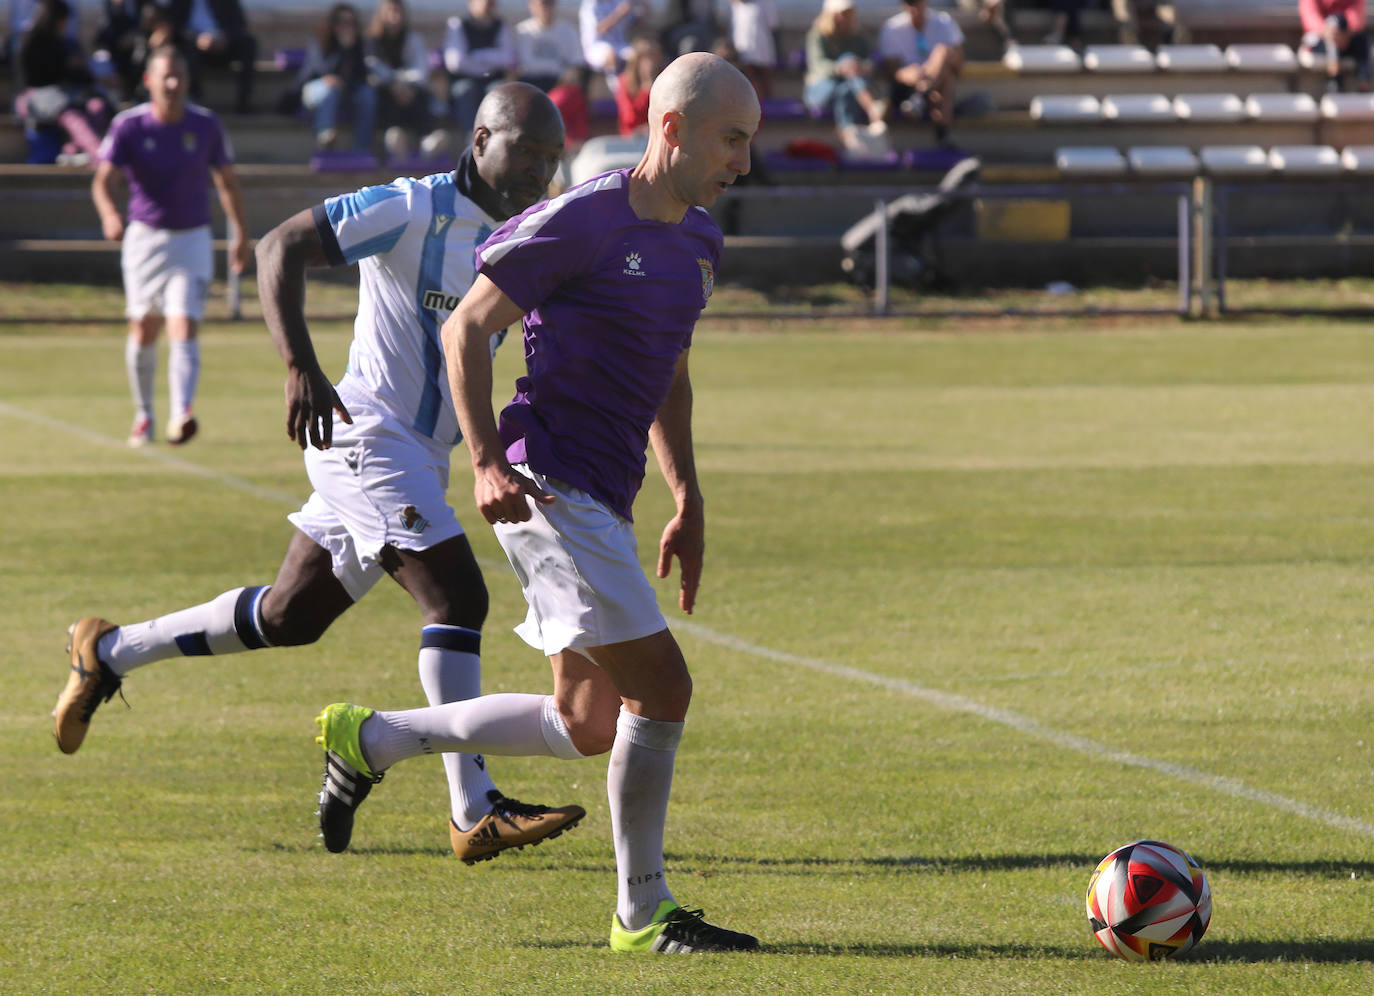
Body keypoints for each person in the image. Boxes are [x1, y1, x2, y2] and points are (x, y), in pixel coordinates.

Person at [55, 82, 585, 867]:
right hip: (365, 436)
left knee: (289, 616)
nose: (541, 168)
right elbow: (281, 245)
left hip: (415, 457)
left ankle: (109, 651)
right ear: (479, 142)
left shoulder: (526, 231)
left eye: (553, 156)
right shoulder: (412, 208)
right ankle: (472, 808)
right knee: (457, 595)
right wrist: (300, 365)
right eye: (527, 151)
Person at [312, 50, 762, 954]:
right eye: (731, 140)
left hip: (607, 492)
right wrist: (483, 462)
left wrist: (687, 491)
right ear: (670, 128)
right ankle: (643, 914)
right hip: (546, 483)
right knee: (664, 689)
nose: (742, 163)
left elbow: (668, 365)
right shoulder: (584, 218)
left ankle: (376, 739)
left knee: (588, 721)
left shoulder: (700, 242)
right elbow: (465, 326)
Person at [90, 45, 248, 448]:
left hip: (192, 237)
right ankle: (144, 414)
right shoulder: (129, 126)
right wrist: (110, 215)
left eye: (180, 76)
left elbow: (227, 182)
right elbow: (103, 180)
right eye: (166, 77)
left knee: (184, 322)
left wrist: (241, 233)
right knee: (144, 327)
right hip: (145, 238)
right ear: (149, 81)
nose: (173, 84)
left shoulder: (207, 125)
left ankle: (183, 413)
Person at [18, 0, 113, 163]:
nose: (65, 25)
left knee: (97, 106)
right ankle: (98, 154)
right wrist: (65, 65)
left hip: (67, 94)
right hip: (37, 97)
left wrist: (76, 68)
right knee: (70, 114)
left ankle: (73, 151)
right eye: (63, 20)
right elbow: (35, 77)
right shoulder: (32, 41)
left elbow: (83, 78)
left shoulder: (65, 44)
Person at [803, 0, 888, 156]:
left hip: (847, 89)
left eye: (849, 13)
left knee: (845, 89)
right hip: (820, 89)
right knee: (847, 60)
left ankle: (851, 140)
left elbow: (869, 63)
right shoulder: (817, 35)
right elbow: (818, 66)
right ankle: (872, 108)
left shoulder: (858, 36)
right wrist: (841, 67)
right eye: (842, 13)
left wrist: (861, 66)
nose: (845, 17)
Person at [366, 0, 444, 159]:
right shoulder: (371, 40)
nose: (395, 17)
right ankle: (394, 139)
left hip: (410, 89)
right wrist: (394, 83)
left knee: (421, 96)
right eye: (390, 12)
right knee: (385, 98)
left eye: (398, 12)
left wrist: (405, 85)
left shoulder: (412, 39)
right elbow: (373, 67)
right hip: (385, 89)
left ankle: (426, 141)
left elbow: (421, 69)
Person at [877, 0, 964, 140]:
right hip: (908, 84)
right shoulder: (892, 27)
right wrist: (912, 74)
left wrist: (928, 73)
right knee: (947, 81)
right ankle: (943, 133)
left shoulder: (944, 21)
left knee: (943, 54)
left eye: (917, 2)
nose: (914, 8)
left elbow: (958, 64)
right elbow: (892, 71)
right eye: (910, 3)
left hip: (934, 82)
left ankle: (922, 95)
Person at [298, 2, 377, 151]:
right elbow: (322, 69)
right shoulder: (321, 40)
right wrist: (342, 50)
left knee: (367, 94)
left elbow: (363, 76)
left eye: (351, 23)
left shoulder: (359, 45)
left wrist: (348, 50)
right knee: (329, 89)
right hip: (316, 89)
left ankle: (362, 148)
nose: (346, 27)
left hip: (346, 93)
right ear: (333, 24)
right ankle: (325, 136)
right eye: (342, 22)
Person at [162, 0, 259, 113]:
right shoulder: (180, 2)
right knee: (185, 49)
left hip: (223, 45)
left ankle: (245, 100)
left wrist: (225, 38)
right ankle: (194, 99)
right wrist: (197, 40)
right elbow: (175, 27)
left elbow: (239, 24)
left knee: (249, 43)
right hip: (194, 48)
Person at [444, 0, 517, 141]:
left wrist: (476, 56)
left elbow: (507, 58)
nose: (487, 4)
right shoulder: (458, 24)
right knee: (465, 90)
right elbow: (456, 63)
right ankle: (471, 138)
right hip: (465, 79)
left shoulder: (501, 25)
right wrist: (490, 58)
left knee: (499, 92)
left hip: (492, 79)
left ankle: (496, 137)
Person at [1300, 0, 1371, 93]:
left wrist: (1345, 34)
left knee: (1362, 38)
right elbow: (1310, 17)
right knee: (1332, 35)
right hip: (1320, 38)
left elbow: (1356, 18)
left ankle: (1364, 80)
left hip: (1346, 35)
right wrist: (1328, 32)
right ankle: (1334, 79)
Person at [515, 0, 584, 92]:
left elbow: (576, 61)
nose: (547, 8)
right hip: (530, 82)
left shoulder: (568, 31)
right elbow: (517, 65)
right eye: (543, 3)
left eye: (550, 2)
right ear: (531, 6)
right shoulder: (521, 31)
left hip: (559, 83)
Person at [579, 0, 643, 84]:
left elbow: (634, 22)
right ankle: (616, 90)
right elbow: (600, 29)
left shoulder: (616, 2)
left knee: (637, 55)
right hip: (595, 48)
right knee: (610, 54)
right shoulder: (590, 5)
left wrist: (643, 8)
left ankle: (634, 89)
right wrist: (619, 13)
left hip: (620, 45)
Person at [727, 0, 779, 98]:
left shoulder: (766, 3)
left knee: (765, 87)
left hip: (763, 53)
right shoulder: (733, 6)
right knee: (746, 88)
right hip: (740, 55)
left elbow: (773, 24)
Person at [614, 35, 662, 136]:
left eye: (653, 57)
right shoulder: (625, 83)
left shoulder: (665, 79)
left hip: (657, 135)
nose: (650, 63)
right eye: (645, 58)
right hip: (632, 139)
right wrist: (647, 87)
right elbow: (629, 118)